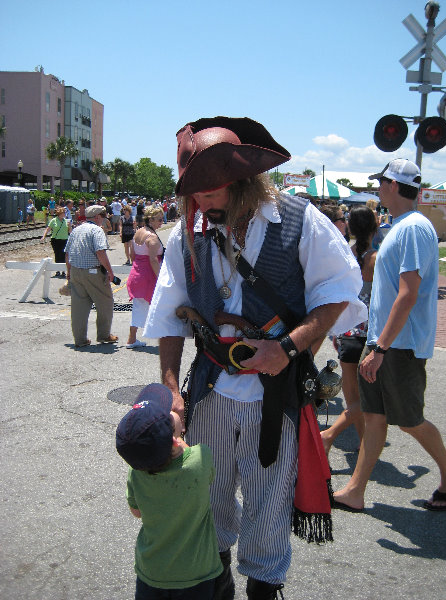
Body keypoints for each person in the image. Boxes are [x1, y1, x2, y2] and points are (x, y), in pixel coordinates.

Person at [143, 117, 367, 599]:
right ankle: (217, 586)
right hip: (210, 391)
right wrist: (169, 390)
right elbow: (167, 318)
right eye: (194, 190)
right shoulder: (188, 233)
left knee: (268, 509)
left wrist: (288, 347)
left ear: (242, 177)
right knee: (212, 504)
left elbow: (341, 290)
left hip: (275, 399)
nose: (201, 199)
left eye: (210, 188)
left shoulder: (298, 219)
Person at [334, 159, 446, 513]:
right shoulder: (400, 226)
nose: (377, 189)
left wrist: (381, 346)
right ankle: (355, 490)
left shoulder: (413, 228)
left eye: (381, 183)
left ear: (393, 186)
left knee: (410, 420)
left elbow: (408, 293)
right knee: (374, 417)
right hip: (383, 341)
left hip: (397, 345)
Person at [116, 383, 222, 600]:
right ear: (175, 440)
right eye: (168, 414)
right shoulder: (200, 459)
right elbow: (204, 469)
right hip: (197, 573)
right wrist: (180, 437)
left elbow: (136, 511)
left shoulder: (136, 472)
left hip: (152, 572)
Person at [320, 206, 378, 456]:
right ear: (374, 228)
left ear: (351, 228)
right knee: (368, 399)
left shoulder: (345, 254)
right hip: (369, 336)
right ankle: (330, 435)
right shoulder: (376, 258)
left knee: (353, 395)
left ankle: (364, 443)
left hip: (346, 332)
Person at [64, 205, 119, 348]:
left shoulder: (76, 230)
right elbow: (100, 252)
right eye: (103, 217)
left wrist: (69, 272)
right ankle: (104, 334)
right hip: (93, 272)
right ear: (97, 217)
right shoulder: (97, 230)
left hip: (76, 270)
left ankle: (80, 339)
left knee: (78, 307)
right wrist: (110, 271)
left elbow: (67, 253)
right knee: (105, 302)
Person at [126, 207, 164, 349]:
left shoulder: (138, 232)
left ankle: (132, 338)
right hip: (149, 276)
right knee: (159, 306)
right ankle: (163, 338)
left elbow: (132, 255)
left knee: (138, 307)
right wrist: (160, 278)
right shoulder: (152, 237)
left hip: (137, 273)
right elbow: (153, 260)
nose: (162, 222)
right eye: (159, 219)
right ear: (151, 219)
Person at [40, 206, 72, 278]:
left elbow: (70, 232)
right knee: (57, 255)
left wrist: (70, 226)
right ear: (60, 213)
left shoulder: (66, 221)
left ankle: (63, 271)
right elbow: (48, 229)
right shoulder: (54, 220)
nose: (64, 214)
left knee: (63, 255)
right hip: (55, 240)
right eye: (63, 212)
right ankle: (57, 271)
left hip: (64, 240)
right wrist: (44, 236)